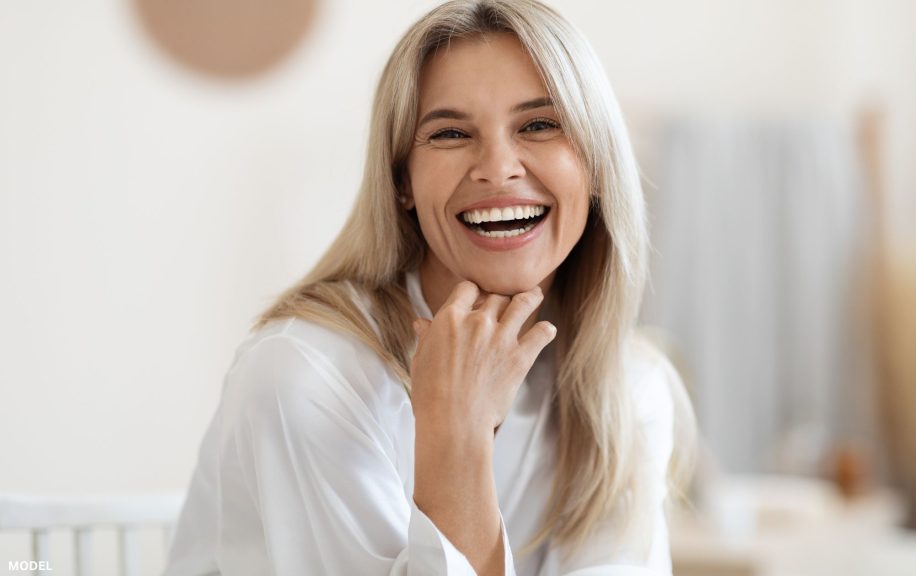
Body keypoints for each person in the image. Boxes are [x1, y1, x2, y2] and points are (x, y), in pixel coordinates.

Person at [164, 1, 696, 574]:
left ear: (596, 165)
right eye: (449, 133)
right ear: (401, 183)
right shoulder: (305, 377)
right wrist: (455, 439)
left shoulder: (627, 389)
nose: (497, 167)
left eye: (540, 124)